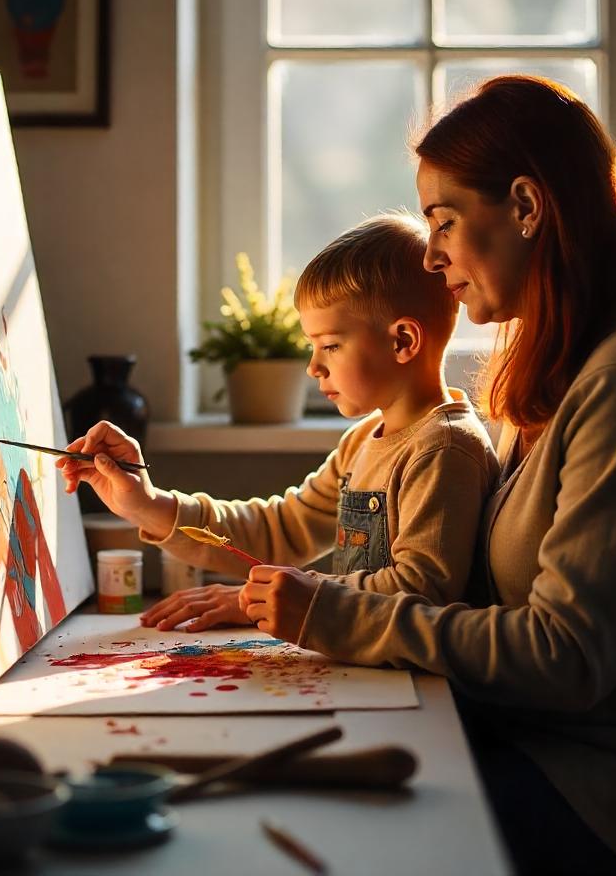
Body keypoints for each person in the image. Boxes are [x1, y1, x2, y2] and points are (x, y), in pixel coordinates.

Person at [237, 76, 616, 875]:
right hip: (564, 748)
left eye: (444, 221)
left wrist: (334, 613)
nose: (431, 257)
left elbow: (564, 656)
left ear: (528, 208)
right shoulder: (571, 357)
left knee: (331, 834)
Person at [59, 211, 499, 633]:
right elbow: (279, 531)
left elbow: (421, 595)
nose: (313, 368)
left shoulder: (445, 449)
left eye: (329, 346)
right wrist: (147, 504)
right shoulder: (363, 440)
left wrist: (255, 600)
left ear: (402, 340)